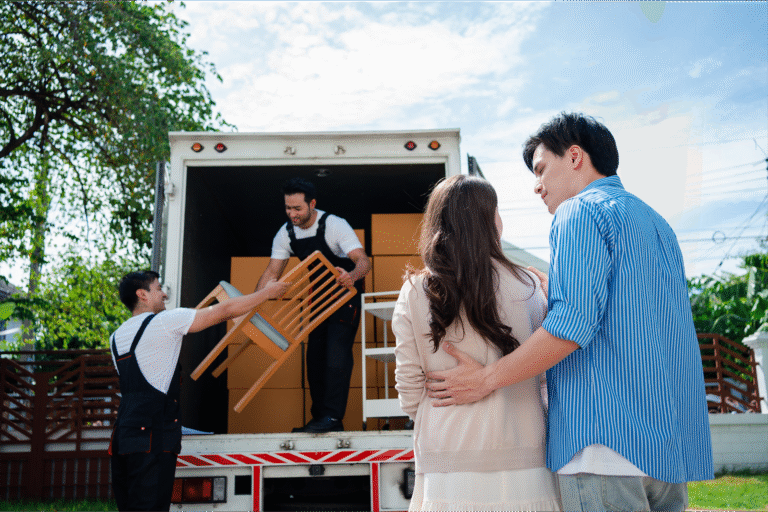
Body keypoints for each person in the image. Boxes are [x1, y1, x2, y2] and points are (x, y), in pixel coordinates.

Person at [424, 113, 713, 512]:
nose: (537, 186)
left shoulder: (579, 212)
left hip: (604, 445)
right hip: (669, 450)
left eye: (541, 169)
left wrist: (487, 378)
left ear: (575, 156)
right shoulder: (657, 223)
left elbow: (571, 326)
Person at [392, 175, 562, 511]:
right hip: (525, 453)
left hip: (446, 457)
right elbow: (547, 370)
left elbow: (409, 387)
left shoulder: (415, 290)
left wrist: (437, 414)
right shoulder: (529, 284)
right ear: (490, 219)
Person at [110, 270, 289, 511]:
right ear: (142, 294)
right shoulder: (165, 321)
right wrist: (266, 293)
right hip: (152, 438)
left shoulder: (116, 337)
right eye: (158, 288)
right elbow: (223, 310)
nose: (164, 294)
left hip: (124, 437)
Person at [255, 177, 371, 433]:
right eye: (288, 208)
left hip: (344, 294)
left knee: (336, 355)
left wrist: (351, 276)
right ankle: (319, 419)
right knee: (315, 358)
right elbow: (272, 272)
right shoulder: (286, 233)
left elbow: (363, 261)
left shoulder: (334, 225)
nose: (292, 214)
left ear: (312, 204)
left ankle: (332, 418)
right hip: (318, 297)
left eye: (297, 208)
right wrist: (251, 302)